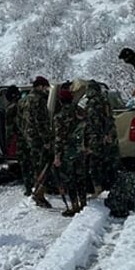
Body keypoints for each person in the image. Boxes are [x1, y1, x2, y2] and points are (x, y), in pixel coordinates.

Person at [52, 81, 87, 216]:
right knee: (81, 177)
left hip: (68, 152)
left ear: (60, 101)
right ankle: (83, 203)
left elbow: (59, 138)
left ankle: (74, 206)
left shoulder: (59, 117)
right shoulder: (80, 111)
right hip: (81, 149)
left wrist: (57, 156)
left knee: (70, 179)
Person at [82, 80, 120, 195]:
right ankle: (113, 189)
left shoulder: (93, 103)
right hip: (109, 138)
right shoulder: (105, 101)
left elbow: (93, 124)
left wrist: (89, 143)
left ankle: (97, 190)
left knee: (94, 165)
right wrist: (108, 135)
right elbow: (109, 119)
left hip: (97, 138)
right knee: (109, 164)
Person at [19, 76, 53, 207]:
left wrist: (26, 134)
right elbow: (41, 122)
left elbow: (21, 120)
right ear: (40, 86)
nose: (46, 89)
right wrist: (46, 140)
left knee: (36, 165)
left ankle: (36, 189)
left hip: (30, 138)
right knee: (44, 165)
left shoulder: (24, 100)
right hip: (39, 139)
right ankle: (39, 194)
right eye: (45, 87)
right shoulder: (38, 100)